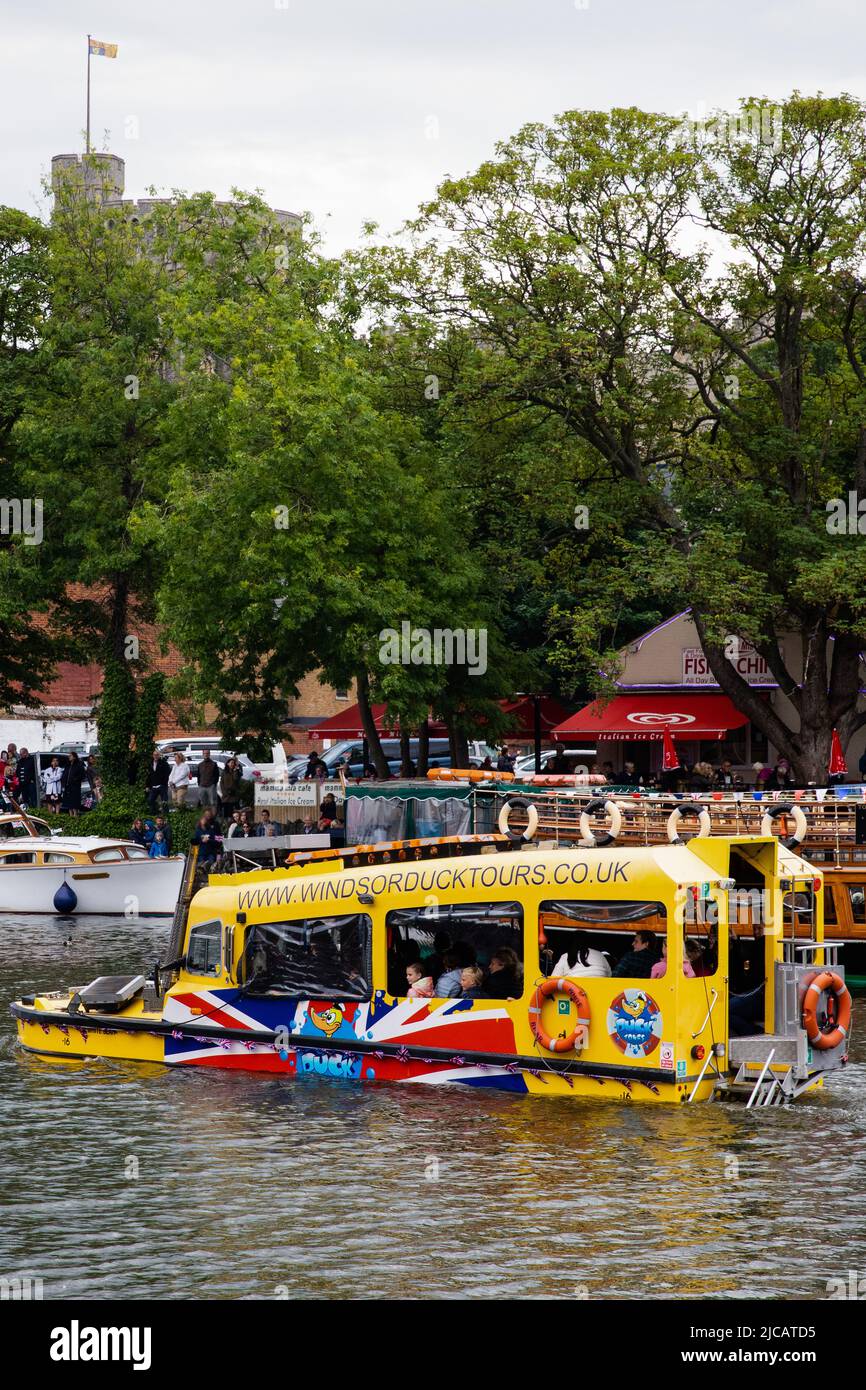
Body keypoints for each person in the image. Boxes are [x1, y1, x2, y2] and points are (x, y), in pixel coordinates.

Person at [60, 750, 85, 815]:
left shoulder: (79, 765)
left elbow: (82, 775)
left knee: (74, 803)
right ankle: (71, 817)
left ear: (74, 757)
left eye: (70, 756)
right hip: (68, 786)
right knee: (69, 804)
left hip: (75, 787)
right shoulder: (68, 765)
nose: (69, 757)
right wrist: (63, 782)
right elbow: (64, 774)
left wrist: (75, 779)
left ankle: (75, 816)